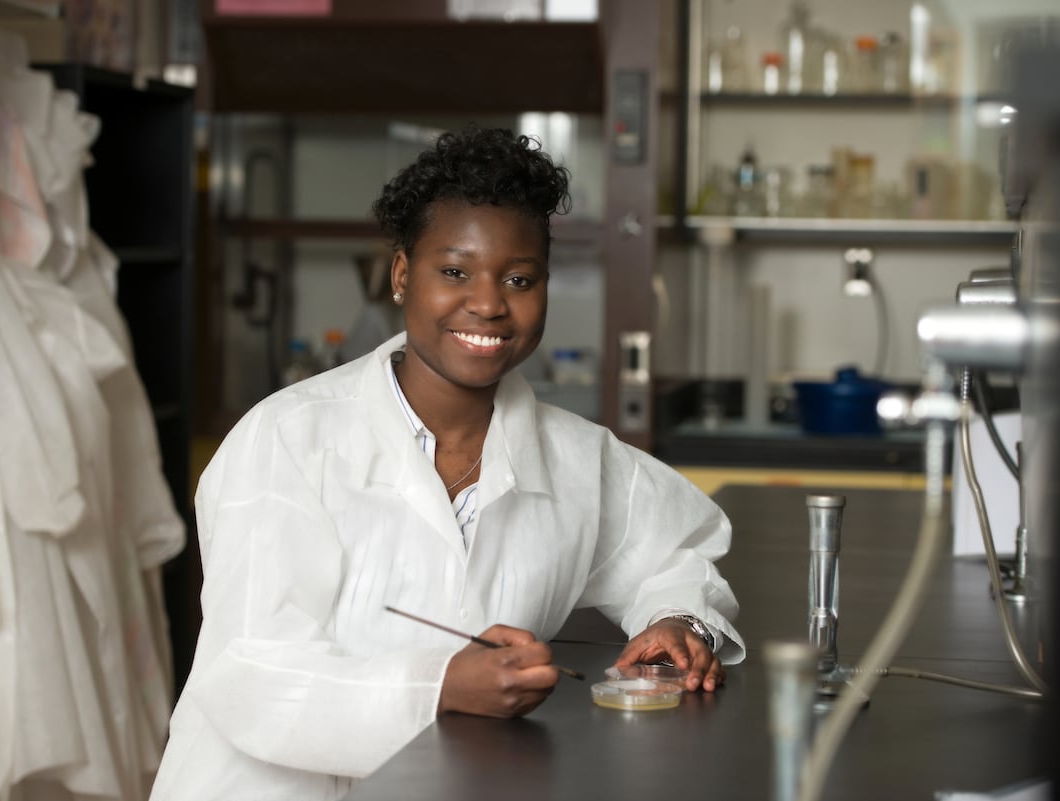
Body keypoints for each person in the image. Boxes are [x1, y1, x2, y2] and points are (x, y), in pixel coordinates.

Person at [149, 126, 744, 801]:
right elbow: (252, 673)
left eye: (519, 278)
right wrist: (440, 684)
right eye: (455, 271)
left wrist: (678, 623)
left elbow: (675, 553)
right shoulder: (286, 439)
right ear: (402, 275)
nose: (489, 303)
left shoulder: (579, 458)